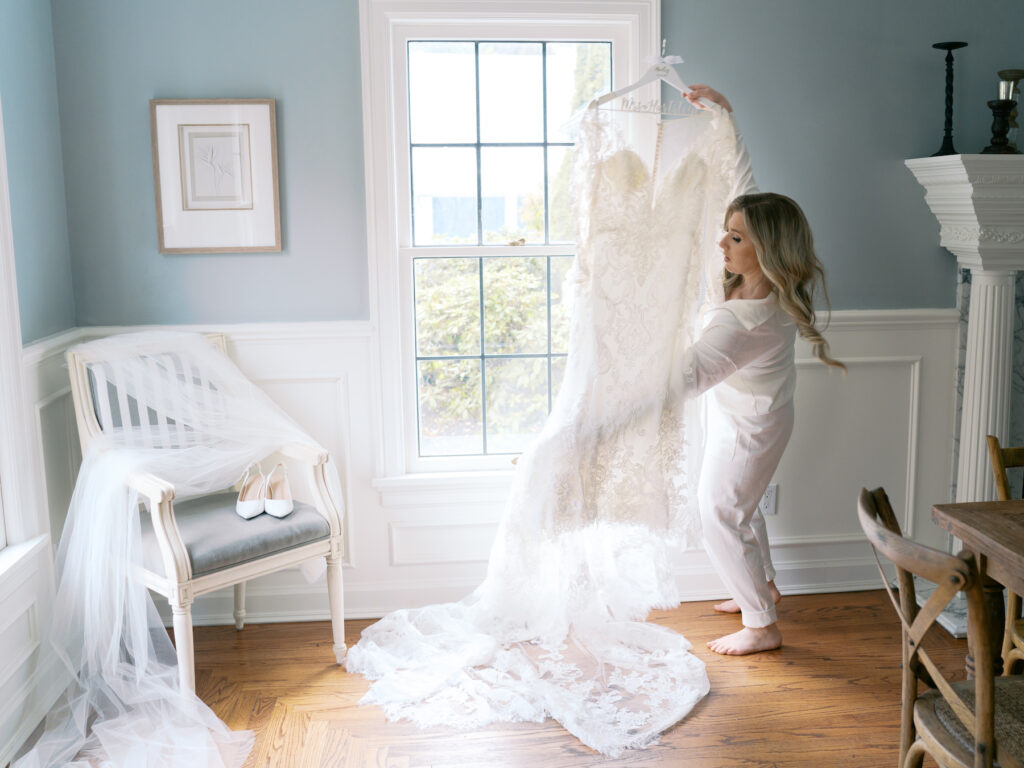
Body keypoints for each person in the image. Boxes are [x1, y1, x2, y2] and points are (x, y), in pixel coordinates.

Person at [673, 85, 846, 656]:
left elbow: (687, 379)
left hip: (753, 424)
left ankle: (761, 623)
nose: (722, 242)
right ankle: (761, 586)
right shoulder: (760, 283)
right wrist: (727, 116)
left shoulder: (747, 320)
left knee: (719, 511)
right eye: (727, 231)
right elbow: (743, 185)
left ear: (765, 250)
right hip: (749, 411)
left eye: (735, 237)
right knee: (740, 506)